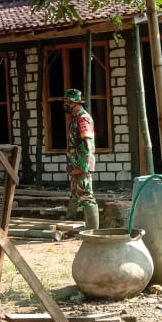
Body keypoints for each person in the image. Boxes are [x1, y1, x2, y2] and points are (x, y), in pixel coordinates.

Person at [63, 88, 99, 230]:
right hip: (75, 163)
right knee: (75, 192)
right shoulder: (75, 119)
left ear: (75, 103)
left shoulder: (83, 119)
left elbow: (87, 145)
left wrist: (82, 167)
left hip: (81, 164)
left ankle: (93, 230)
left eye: (68, 102)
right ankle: (68, 221)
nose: (65, 104)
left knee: (86, 195)